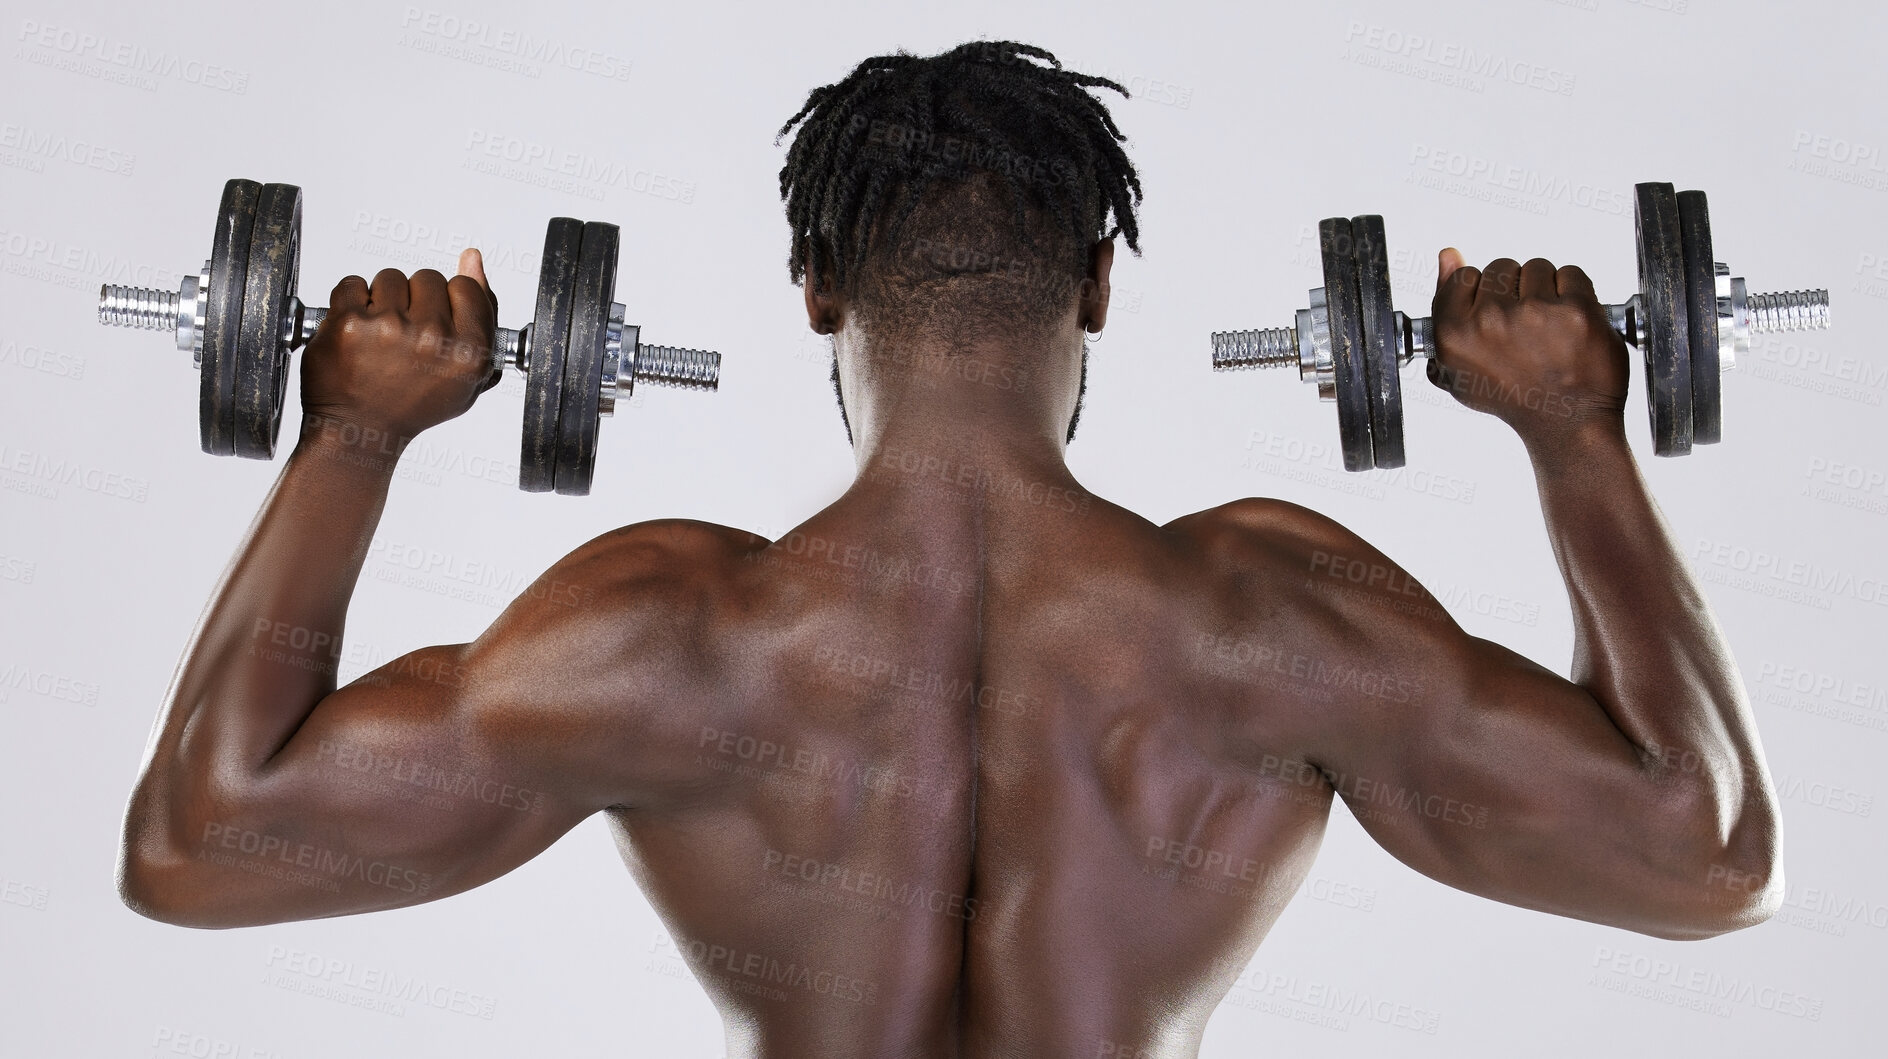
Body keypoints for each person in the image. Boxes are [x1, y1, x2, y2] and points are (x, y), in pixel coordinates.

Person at [117, 41, 1781, 1059]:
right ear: (1099, 289)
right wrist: (1574, 428)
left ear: (820, 290)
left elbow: (202, 844)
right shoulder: (1272, 619)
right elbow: (1701, 857)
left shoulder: (666, 632)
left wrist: (353, 431)